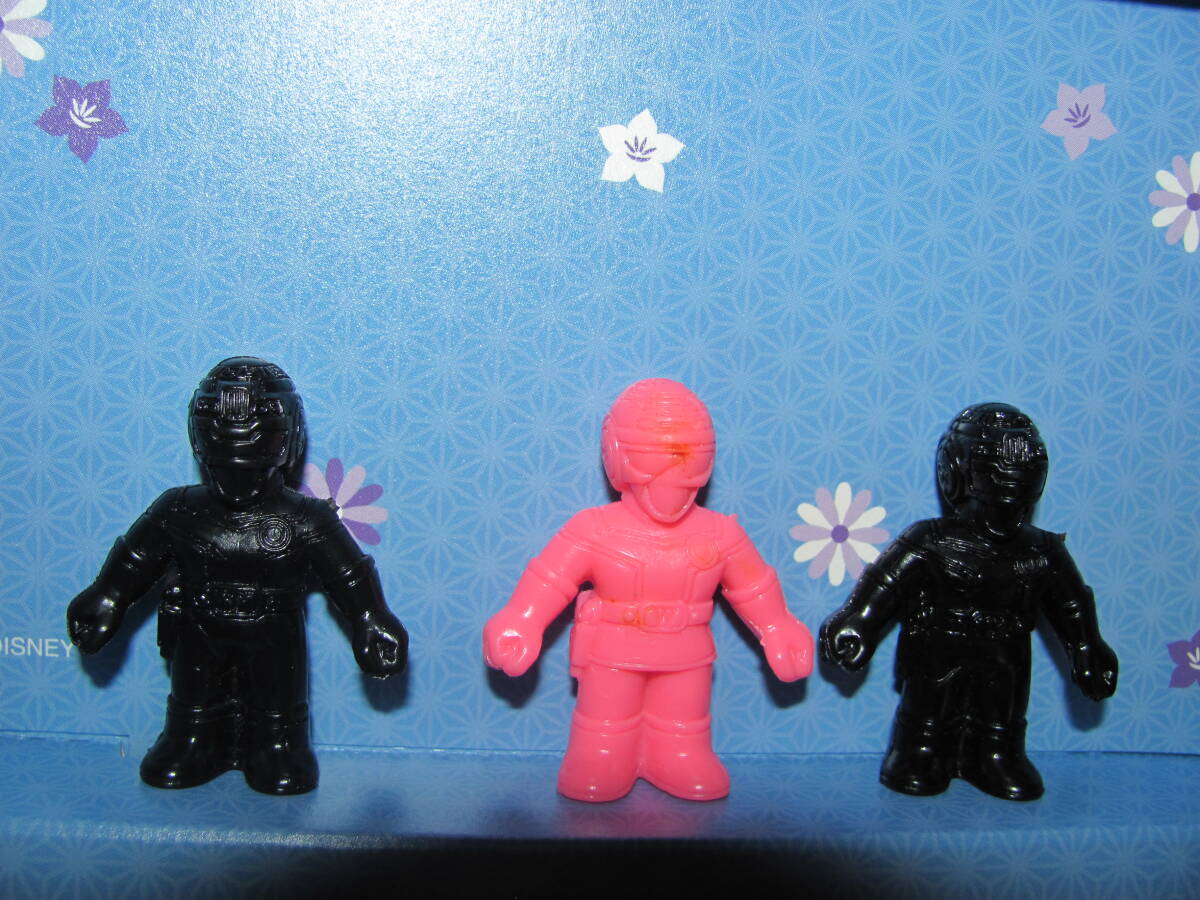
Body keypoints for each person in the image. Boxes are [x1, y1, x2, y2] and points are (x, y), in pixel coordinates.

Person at [68, 357, 407, 794]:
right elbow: (135, 560)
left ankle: (278, 746)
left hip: (274, 630)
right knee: (194, 695)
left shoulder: (305, 518)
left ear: (288, 440)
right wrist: (108, 597)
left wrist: (370, 617)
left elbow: (348, 576)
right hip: (198, 625)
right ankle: (192, 741)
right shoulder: (179, 508)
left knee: (277, 702)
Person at [485, 378, 812, 802]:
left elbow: (753, 585)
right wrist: (521, 620)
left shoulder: (720, 534)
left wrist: (778, 627)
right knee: (606, 720)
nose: (671, 483)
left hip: (687, 651)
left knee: (683, 720)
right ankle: (600, 756)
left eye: (688, 463)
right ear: (618, 456)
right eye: (653, 464)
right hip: (614, 651)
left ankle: (679, 754)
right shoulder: (595, 529)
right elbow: (551, 579)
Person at [821, 402, 1117, 801]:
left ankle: (996, 756)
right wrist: (858, 622)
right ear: (961, 473)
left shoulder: (1042, 550)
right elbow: (886, 584)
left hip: (1005, 653)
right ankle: (918, 752)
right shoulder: (932, 540)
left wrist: (1087, 647)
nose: (1006, 505)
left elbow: (1071, 605)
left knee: (1002, 714)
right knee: (928, 713)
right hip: (938, 648)